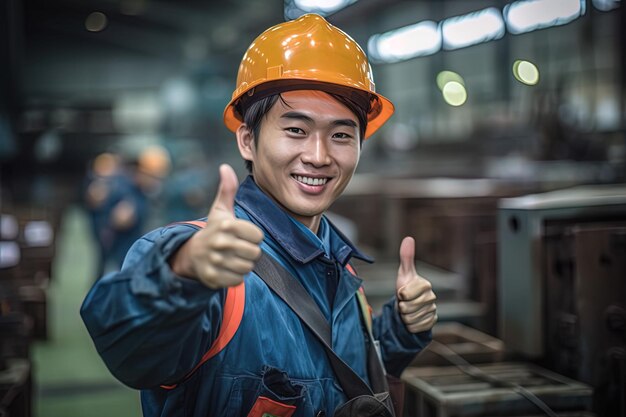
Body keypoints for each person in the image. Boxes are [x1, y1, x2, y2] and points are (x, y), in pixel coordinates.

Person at [81, 13, 437, 417]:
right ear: (248, 140)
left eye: (340, 135)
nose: (319, 156)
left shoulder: (339, 271)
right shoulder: (212, 273)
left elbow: (338, 376)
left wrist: (401, 330)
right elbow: (130, 349)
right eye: (296, 131)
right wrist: (180, 276)